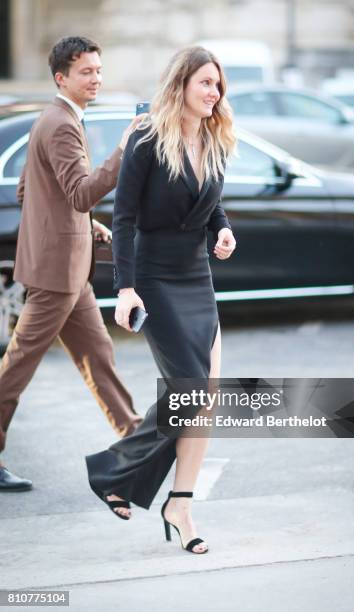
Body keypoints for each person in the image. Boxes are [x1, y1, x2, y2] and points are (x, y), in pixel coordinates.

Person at [86, 46, 236, 554]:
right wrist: (124, 289)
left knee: (205, 399)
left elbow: (211, 203)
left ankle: (180, 504)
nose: (214, 93)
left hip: (198, 275)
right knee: (190, 391)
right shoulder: (148, 138)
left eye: (218, 85)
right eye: (206, 83)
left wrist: (223, 229)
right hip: (154, 276)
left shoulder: (215, 138)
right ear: (181, 86)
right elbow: (123, 217)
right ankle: (115, 469)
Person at [0, 36, 144, 492]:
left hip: (68, 266)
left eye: (99, 70)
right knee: (17, 367)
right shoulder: (62, 124)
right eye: (86, 72)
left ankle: (138, 440)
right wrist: (124, 148)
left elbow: (31, 190)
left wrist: (85, 226)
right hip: (56, 272)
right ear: (62, 77)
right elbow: (80, 191)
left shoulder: (54, 118)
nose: (96, 78)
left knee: (98, 355)